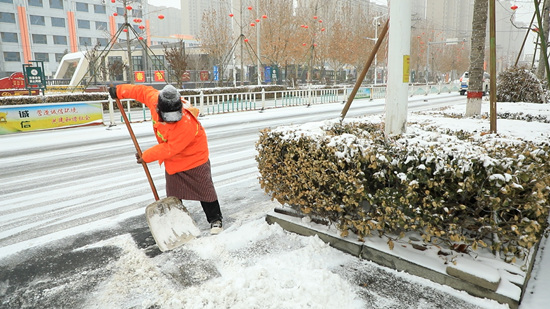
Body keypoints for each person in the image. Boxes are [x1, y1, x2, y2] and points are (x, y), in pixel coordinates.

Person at [109, 84, 223, 234]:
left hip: (195, 158)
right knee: (174, 194)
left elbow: (169, 148)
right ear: (159, 109)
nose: (171, 121)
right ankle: (179, 221)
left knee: (205, 189)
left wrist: (145, 156)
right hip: (174, 162)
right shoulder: (155, 99)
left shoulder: (186, 124)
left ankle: (215, 220)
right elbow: (141, 92)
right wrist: (118, 90)